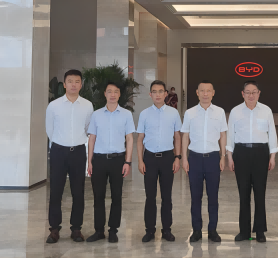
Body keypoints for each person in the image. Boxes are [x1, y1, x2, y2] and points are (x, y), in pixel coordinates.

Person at [45, 69, 94, 243]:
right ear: (64, 84)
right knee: (56, 191)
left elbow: (88, 128)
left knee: (78, 192)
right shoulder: (54, 106)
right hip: (58, 151)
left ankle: (76, 229)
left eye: (77, 81)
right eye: (70, 81)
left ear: (81, 84)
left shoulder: (87, 105)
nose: (74, 84)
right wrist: (60, 143)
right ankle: (54, 229)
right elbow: (49, 130)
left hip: (78, 152)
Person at [227, 80, 278, 243]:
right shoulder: (235, 111)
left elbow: (272, 133)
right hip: (241, 152)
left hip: (260, 153)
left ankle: (260, 231)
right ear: (242, 94)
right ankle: (244, 231)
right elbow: (230, 135)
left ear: (259, 93)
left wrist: (272, 156)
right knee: (243, 193)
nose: (251, 95)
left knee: (260, 192)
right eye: (248, 92)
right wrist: (229, 156)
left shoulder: (266, 110)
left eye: (254, 92)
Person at [86, 82, 136, 243]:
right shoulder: (96, 115)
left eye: (115, 92)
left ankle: (113, 230)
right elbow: (92, 138)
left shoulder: (126, 115)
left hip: (118, 160)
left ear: (119, 94)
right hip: (99, 160)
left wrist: (128, 162)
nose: (112, 95)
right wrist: (89, 161)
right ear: (105, 94)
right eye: (109, 91)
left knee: (116, 196)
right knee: (98, 196)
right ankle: (99, 231)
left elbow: (130, 139)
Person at [180, 80, 227, 243]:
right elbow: (185, 136)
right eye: (202, 91)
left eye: (208, 91)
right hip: (195, 158)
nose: (205, 94)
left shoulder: (220, 112)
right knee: (195, 197)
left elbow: (223, 135)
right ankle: (197, 230)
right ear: (197, 93)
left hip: (213, 158)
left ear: (213, 93)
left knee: (213, 196)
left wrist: (223, 156)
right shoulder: (190, 113)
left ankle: (213, 230)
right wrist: (184, 158)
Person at [136, 80, 182, 243]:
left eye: (160, 91)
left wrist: (177, 158)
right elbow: (140, 139)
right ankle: (150, 230)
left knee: (167, 196)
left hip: (167, 158)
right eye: (154, 92)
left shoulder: (173, 113)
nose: (157, 94)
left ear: (165, 94)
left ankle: (166, 230)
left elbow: (177, 137)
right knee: (150, 197)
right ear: (150, 94)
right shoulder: (144, 114)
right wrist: (140, 160)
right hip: (149, 158)